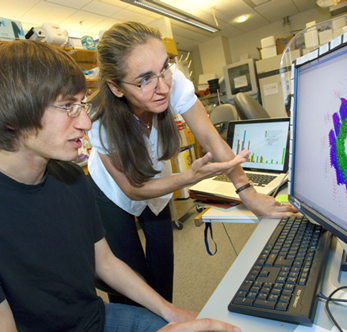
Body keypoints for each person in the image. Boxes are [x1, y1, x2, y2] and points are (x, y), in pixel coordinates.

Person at [0, 40, 254, 332]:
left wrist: (171, 312)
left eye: (81, 105)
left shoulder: (70, 178)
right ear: (14, 115)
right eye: (68, 107)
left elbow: (105, 262)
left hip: (97, 324)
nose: (86, 123)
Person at [88, 21, 299, 304]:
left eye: (165, 68)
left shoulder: (170, 83)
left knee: (163, 264)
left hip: (156, 181)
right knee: (131, 280)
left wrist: (247, 192)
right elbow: (133, 190)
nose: (162, 86)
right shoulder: (98, 120)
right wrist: (189, 177)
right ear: (115, 87)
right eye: (145, 80)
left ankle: (166, 327)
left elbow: (211, 138)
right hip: (113, 193)